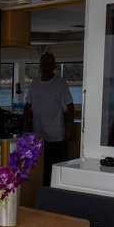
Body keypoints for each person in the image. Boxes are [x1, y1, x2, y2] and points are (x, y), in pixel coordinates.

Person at [24, 52, 76, 186]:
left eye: (49, 63)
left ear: (54, 66)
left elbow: (70, 107)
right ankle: (41, 193)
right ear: (40, 66)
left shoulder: (60, 83)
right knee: (40, 171)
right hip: (38, 137)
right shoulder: (34, 83)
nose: (46, 66)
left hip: (57, 137)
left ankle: (55, 194)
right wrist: (26, 128)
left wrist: (69, 128)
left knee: (56, 171)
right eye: (43, 63)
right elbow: (27, 106)